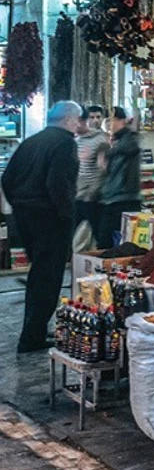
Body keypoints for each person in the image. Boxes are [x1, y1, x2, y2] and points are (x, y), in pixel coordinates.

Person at [1, 101, 81, 352]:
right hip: (50, 218)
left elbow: (7, 179)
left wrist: (19, 206)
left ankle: (33, 330)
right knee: (48, 277)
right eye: (78, 119)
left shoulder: (31, 142)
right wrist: (66, 216)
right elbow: (58, 183)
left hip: (25, 216)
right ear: (69, 120)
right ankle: (31, 338)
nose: (80, 125)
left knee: (38, 275)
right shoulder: (65, 143)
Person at [95, 106, 143, 249]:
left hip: (124, 198)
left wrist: (107, 154)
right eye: (107, 121)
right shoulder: (114, 140)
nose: (110, 124)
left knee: (118, 242)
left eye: (113, 120)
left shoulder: (128, 139)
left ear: (121, 120)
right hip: (111, 198)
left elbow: (132, 146)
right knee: (108, 242)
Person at [75, 105, 109, 237]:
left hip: (94, 198)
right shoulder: (77, 140)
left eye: (98, 117)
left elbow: (103, 170)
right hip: (78, 195)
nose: (95, 120)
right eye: (92, 117)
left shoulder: (103, 140)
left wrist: (92, 193)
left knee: (95, 235)